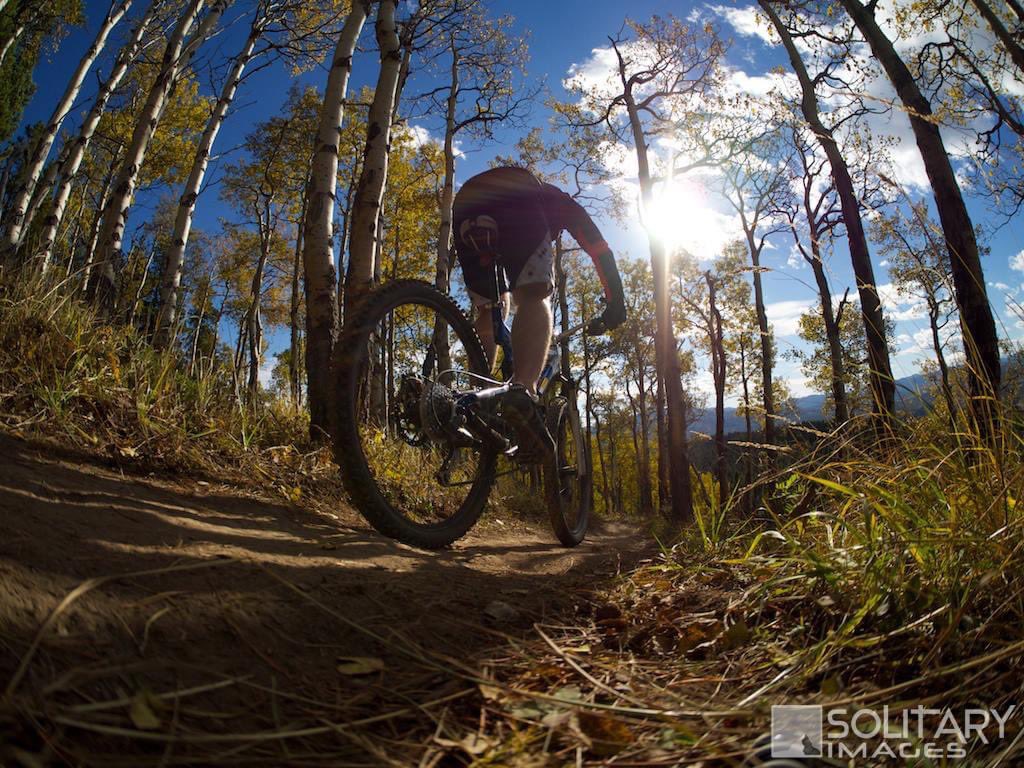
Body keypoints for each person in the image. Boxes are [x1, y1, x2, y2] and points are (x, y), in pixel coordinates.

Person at [452, 165, 626, 457]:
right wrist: (616, 302)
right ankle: (523, 391)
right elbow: (600, 250)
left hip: (466, 203)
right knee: (534, 295)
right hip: (516, 191)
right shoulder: (562, 203)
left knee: (489, 309)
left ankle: (478, 403)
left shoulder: (546, 200)